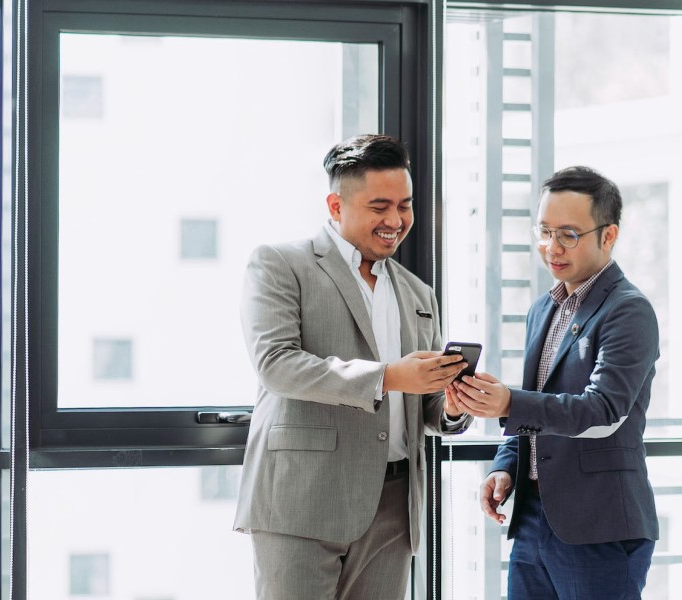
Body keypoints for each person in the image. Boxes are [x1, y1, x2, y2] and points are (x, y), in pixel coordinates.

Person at [233, 134, 473, 600]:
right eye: (379, 206)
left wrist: (452, 404)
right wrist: (388, 376)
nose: (396, 220)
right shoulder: (280, 264)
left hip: (395, 506)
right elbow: (277, 365)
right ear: (336, 205)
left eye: (404, 205)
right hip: (302, 501)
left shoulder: (418, 293)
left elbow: (422, 408)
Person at [446, 166, 659, 599]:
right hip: (532, 519)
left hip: (599, 526)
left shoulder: (628, 310)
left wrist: (507, 403)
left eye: (568, 234)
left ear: (609, 235)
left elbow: (603, 411)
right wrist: (506, 465)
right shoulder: (544, 308)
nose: (551, 248)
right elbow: (539, 404)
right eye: (543, 232)